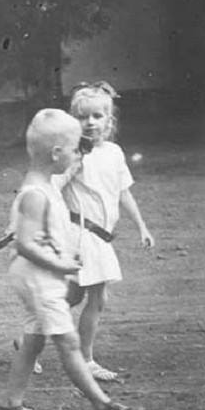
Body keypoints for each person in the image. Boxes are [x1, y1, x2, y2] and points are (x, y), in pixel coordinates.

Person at [0, 109, 146, 410]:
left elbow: (40, 232)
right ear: (56, 153)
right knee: (68, 342)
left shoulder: (47, 184)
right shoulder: (35, 195)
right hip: (38, 277)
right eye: (75, 148)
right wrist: (61, 264)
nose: (79, 154)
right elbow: (25, 244)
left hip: (40, 275)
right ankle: (103, 407)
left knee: (34, 339)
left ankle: (10, 404)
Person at [60, 81, 155, 383]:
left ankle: (27, 342)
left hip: (101, 236)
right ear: (72, 121)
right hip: (81, 234)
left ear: (109, 121)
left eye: (97, 116)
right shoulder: (73, 154)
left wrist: (141, 226)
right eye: (82, 117)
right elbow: (52, 188)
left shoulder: (114, 152)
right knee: (97, 299)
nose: (90, 122)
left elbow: (123, 192)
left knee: (70, 297)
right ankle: (86, 360)